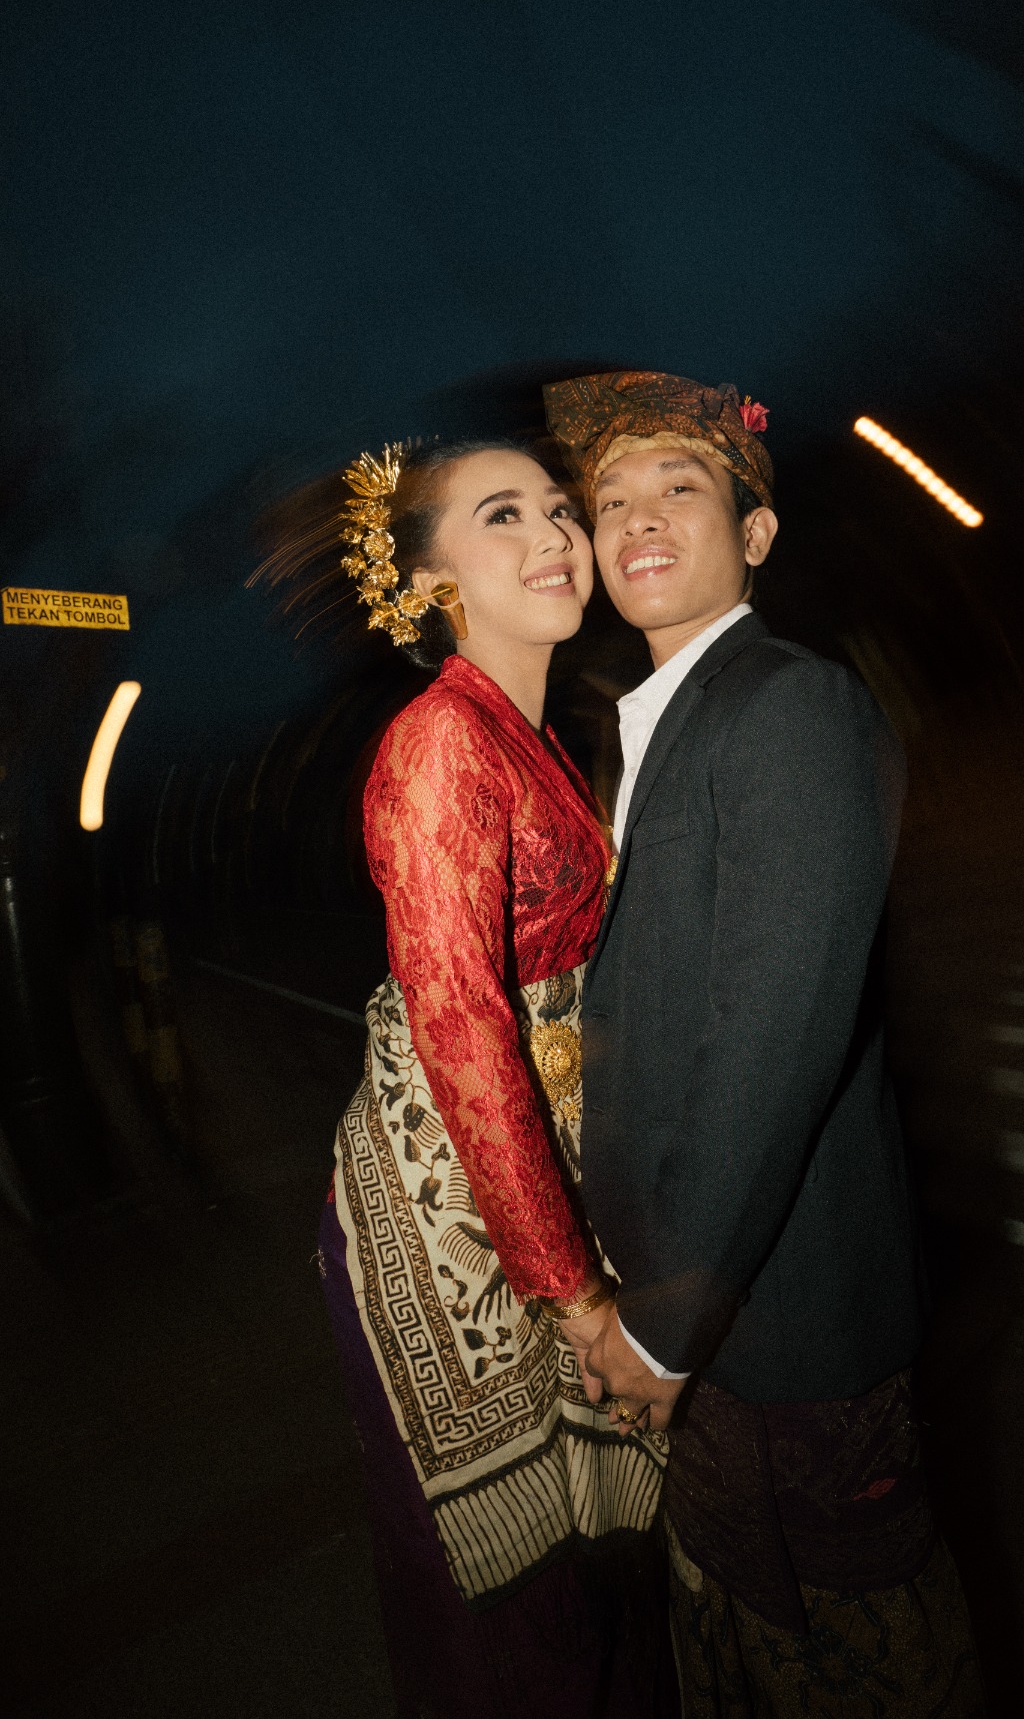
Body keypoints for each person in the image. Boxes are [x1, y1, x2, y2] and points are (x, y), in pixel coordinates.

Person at [545, 372, 985, 1717]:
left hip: (784, 1329)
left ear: (757, 535)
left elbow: (773, 1035)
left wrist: (667, 1323)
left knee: (858, 1666)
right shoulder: (654, 726)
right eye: (612, 501)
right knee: (737, 1652)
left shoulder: (788, 707)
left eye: (679, 488)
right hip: (717, 1323)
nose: (639, 519)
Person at [310, 438, 675, 1718]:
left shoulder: (527, 734)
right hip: (450, 1205)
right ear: (427, 580)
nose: (558, 536)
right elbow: (461, 1027)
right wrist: (572, 1294)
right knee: (520, 1617)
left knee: (597, 1576)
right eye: (505, 515)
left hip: (535, 1175)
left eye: (560, 510)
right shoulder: (440, 743)